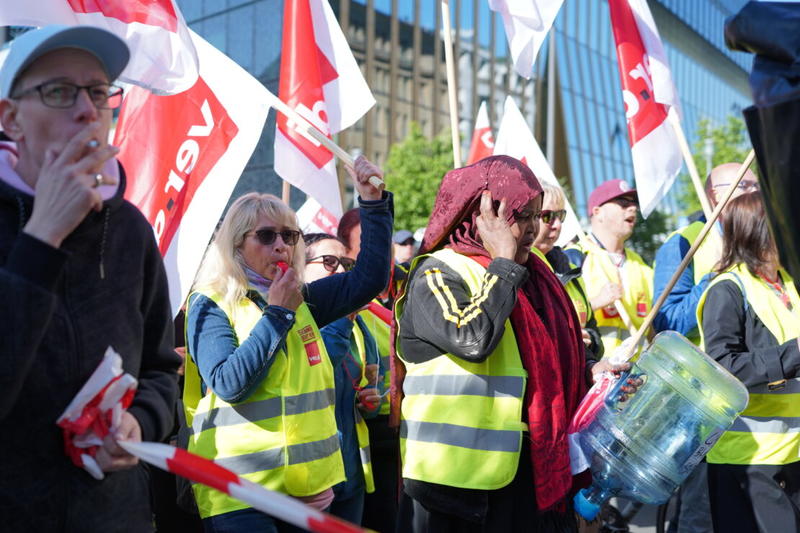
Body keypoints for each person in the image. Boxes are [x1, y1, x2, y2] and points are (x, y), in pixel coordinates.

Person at [0, 26, 181, 531]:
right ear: (10, 118)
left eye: (99, 92)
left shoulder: (129, 229)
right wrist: (41, 239)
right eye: (58, 92)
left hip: (115, 514)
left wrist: (139, 422)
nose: (86, 110)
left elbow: (161, 370)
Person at [395, 156, 631, 531]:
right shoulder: (437, 271)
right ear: (480, 215)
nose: (531, 229)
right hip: (453, 484)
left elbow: (544, 360)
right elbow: (474, 339)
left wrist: (591, 371)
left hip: (526, 475)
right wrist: (503, 261)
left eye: (536, 216)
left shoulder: (535, 276)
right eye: (520, 215)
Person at [182, 157, 391, 532]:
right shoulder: (210, 302)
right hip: (241, 492)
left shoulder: (303, 298)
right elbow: (229, 384)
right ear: (236, 244)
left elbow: (369, 278)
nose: (280, 245)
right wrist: (278, 314)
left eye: (289, 235)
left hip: (308, 487)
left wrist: (371, 201)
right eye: (266, 236)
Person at [652, 162, 759, 533]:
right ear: (717, 195)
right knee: (701, 512)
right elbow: (666, 323)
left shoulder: (763, 245)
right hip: (698, 406)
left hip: (756, 403)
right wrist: (715, 279)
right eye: (746, 184)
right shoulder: (686, 242)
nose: (756, 192)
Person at [696, 192, 800, 532]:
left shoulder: (789, 283)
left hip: (793, 451)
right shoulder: (727, 289)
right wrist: (793, 354)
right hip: (748, 458)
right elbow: (723, 366)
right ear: (759, 232)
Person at [303, 232, 383, 524]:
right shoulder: (295, 319)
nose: (340, 271)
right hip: (310, 476)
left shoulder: (359, 325)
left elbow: (372, 389)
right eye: (329, 262)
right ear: (300, 268)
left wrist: (369, 402)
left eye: (346, 265)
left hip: (351, 472)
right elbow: (318, 368)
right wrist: (343, 315)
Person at [340, 207, 402, 533]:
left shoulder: (406, 288)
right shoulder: (344, 301)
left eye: (385, 241)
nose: (381, 249)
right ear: (346, 253)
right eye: (368, 242)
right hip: (369, 434)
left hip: (407, 433)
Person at [565, 179, 653, 356]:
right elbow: (557, 316)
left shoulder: (641, 265)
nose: (632, 208)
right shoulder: (575, 256)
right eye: (622, 203)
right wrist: (597, 302)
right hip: (595, 371)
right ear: (598, 212)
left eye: (633, 203)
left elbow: (653, 329)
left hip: (636, 374)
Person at [533, 182, 603, 365]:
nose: (557, 225)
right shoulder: (517, 268)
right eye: (547, 216)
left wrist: (591, 341)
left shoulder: (570, 269)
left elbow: (593, 330)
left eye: (560, 216)